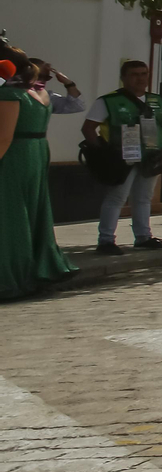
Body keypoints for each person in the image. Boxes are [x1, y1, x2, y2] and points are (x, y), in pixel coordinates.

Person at [0, 46, 78, 301]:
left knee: (11, 217)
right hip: (36, 153)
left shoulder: (11, 94)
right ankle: (37, 269)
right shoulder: (40, 95)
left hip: (14, 155)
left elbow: (4, 137)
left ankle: (14, 276)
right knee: (33, 213)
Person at [82, 60, 162, 254]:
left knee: (143, 198)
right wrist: (103, 153)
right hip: (122, 158)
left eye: (143, 73)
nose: (140, 78)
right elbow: (88, 128)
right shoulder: (107, 101)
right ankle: (106, 240)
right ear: (123, 78)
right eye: (134, 74)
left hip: (152, 156)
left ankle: (143, 237)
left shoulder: (157, 101)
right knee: (116, 198)